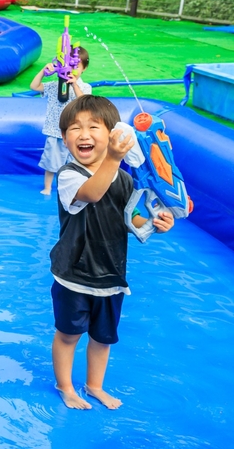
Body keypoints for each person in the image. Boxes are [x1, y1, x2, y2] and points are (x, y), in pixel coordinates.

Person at [50, 94, 174, 410]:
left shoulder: (125, 179)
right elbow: (91, 194)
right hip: (73, 275)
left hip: (111, 275)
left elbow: (133, 218)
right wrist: (114, 159)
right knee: (68, 335)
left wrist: (157, 222)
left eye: (94, 126)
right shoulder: (69, 175)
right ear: (65, 138)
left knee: (103, 338)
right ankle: (65, 386)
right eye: (75, 128)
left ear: (111, 134)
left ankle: (94, 385)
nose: (84, 134)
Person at [29, 47, 91, 195]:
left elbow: (83, 101)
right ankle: (48, 187)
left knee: (74, 162)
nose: (70, 69)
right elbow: (34, 86)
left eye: (75, 66)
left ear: (84, 68)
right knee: (51, 161)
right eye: (67, 65)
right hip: (55, 130)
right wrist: (43, 72)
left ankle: (71, 187)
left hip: (75, 132)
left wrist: (74, 84)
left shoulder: (84, 87)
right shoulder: (54, 86)